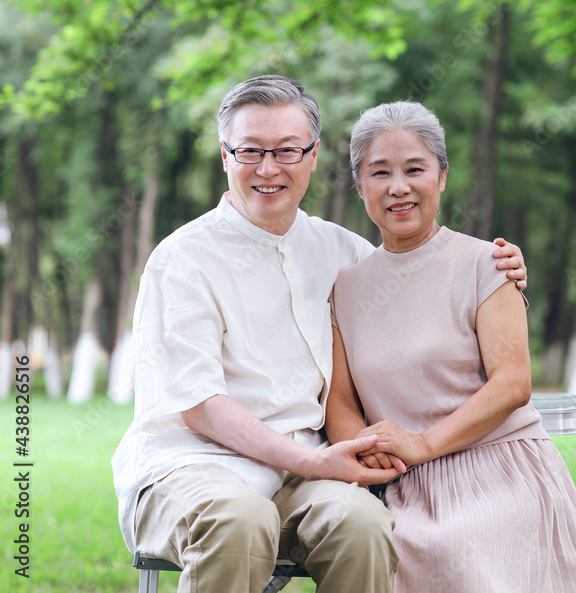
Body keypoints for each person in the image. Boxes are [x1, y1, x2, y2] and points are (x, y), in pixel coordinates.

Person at [112, 75, 528, 593]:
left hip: (304, 478)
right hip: (192, 467)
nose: (268, 168)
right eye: (250, 151)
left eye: (286, 150)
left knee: (363, 526)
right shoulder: (182, 260)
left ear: (312, 157)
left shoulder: (342, 252)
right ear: (224, 155)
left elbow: (425, 286)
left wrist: (499, 268)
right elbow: (200, 405)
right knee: (240, 520)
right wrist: (313, 461)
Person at [326, 100, 576, 593]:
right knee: (387, 548)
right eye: (380, 172)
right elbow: (341, 401)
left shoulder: (487, 263)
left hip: (499, 470)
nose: (399, 187)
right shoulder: (344, 288)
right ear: (359, 185)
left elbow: (514, 383)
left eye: (416, 169)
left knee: (457, 550)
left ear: (442, 177)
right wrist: (368, 454)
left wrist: (423, 445)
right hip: (403, 484)